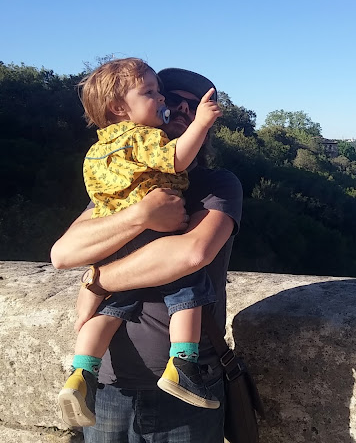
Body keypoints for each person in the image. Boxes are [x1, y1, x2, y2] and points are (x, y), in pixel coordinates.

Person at [51, 66, 242, 442]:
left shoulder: (216, 186)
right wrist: (141, 215)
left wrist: (97, 281)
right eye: (173, 99)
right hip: (110, 384)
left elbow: (190, 254)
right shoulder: (124, 186)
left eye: (197, 107)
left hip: (188, 389)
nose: (183, 111)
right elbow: (63, 253)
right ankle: (81, 372)